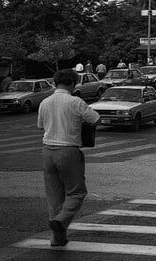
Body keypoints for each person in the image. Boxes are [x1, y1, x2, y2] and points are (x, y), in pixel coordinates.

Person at [37, 69, 100, 246]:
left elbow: (40, 126)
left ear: (55, 83)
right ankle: (61, 220)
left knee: (54, 197)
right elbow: (96, 119)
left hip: (47, 151)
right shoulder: (75, 101)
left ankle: (58, 238)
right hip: (68, 150)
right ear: (72, 84)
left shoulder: (45, 102)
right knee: (77, 192)